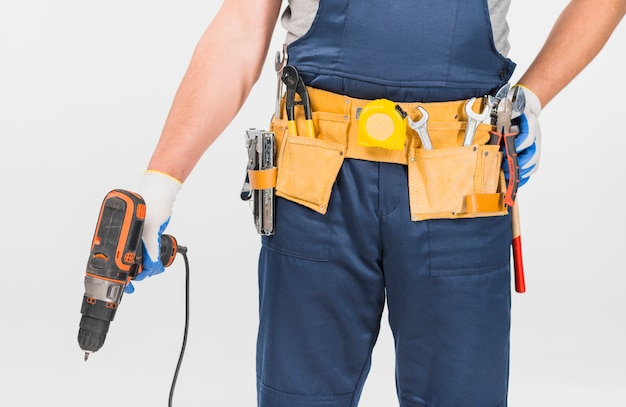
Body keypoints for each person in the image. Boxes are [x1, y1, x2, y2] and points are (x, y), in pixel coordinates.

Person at [125, 1, 625, 406]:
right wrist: (163, 177)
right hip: (314, 188)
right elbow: (242, 24)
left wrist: (533, 96)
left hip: (460, 186)